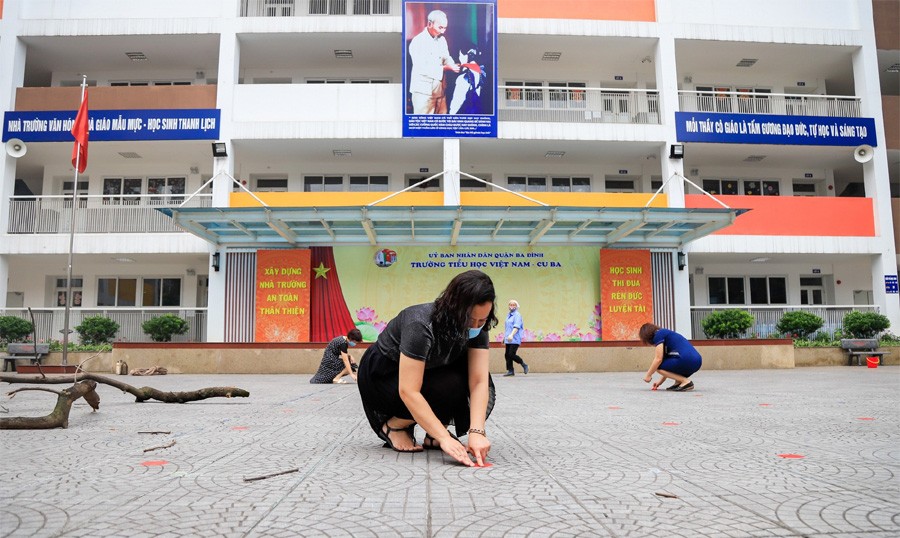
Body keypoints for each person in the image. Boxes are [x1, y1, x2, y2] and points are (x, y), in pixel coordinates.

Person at [357, 270, 497, 467]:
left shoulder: (479, 327)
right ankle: (394, 426)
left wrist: (477, 432)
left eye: (481, 320)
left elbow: (479, 380)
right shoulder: (420, 324)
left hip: (428, 372)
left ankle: (433, 433)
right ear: (454, 308)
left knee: (458, 380)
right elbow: (408, 390)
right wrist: (445, 439)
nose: (474, 326)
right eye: (469, 320)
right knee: (426, 388)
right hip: (384, 376)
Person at [408, 9, 459, 114]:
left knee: (440, 125)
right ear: (429, 24)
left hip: (440, 91)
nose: (443, 31)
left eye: (445, 28)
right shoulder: (418, 41)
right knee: (423, 126)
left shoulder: (442, 40)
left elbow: (446, 57)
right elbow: (421, 67)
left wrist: (452, 64)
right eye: (440, 27)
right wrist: (446, 68)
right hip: (423, 93)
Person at [639, 323, 702, 392]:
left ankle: (686, 382)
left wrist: (648, 375)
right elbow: (667, 368)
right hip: (697, 362)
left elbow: (658, 359)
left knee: (658, 366)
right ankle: (679, 383)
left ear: (647, 337)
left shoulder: (658, 335)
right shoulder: (666, 335)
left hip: (686, 360)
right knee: (666, 365)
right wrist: (660, 382)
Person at [448, 45, 486, 115]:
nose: (459, 58)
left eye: (461, 55)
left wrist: (451, 116)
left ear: (468, 56)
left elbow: (457, 102)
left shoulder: (464, 77)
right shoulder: (480, 72)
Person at [502, 299, 528, 376]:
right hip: (508, 338)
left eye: (514, 305)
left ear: (516, 306)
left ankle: (524, 364)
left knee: (511, 354)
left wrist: (512, 335)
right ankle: (510, 371)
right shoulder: (508, 315)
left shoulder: (517, 315)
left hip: (515, 338)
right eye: (510, 305)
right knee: (507, 355)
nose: (512, 306)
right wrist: (505, 337)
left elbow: (517, 326)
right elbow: (507, 328)